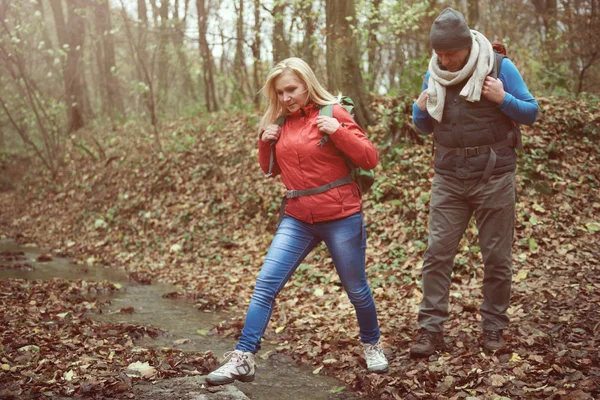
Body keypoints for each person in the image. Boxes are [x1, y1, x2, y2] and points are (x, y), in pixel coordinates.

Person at [206, 57, 388, 385]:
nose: (287, 97)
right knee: (265, 285)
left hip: (342, 215)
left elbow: (369, 157)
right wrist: (265, 142)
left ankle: (372, 344)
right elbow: (270, 169)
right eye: (280, 92)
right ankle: (244, 357)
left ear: (307, 85)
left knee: (356, 289)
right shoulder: (281, 123)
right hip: (298, 218)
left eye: (292, 89)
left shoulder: (332, 113)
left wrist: (338, 133)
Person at [410, 8, 538, 357]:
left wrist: (503, 98)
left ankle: (494, 327)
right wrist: (419, 109)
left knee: (497, 258)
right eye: (439, 52)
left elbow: (531, 111)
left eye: (450, 52)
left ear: (466, 46)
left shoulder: (499, 67)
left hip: (494, 177)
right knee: (437, 255)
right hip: (449, 178)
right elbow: (422, 124)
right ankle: (430, 330)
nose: (444, 59)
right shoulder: (434, 72)